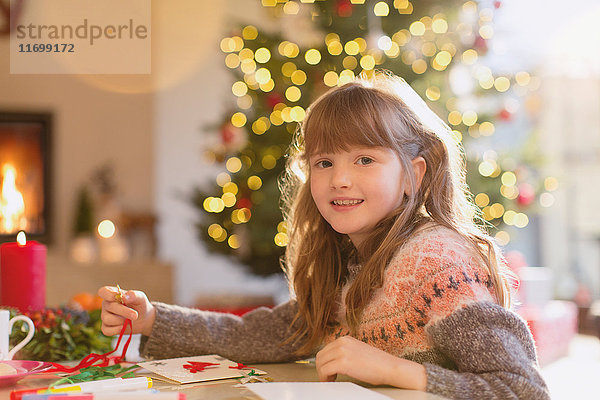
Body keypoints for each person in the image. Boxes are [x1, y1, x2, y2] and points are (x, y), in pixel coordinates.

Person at [98, 72, 549, 399]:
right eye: (325, 162)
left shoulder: (436, 261)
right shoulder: (353, 262)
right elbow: (268, 336)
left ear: (413, 174)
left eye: (365, 160)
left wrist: (395, 370)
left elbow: (522, 388)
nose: (340, 180)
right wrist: (153, 319)